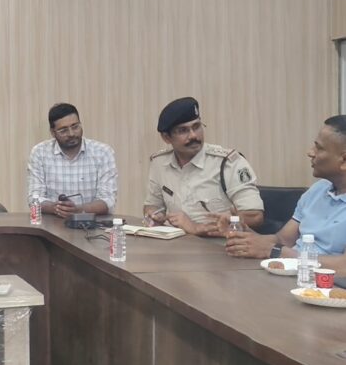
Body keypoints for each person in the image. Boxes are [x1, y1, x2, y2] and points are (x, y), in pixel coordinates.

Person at [223, 116, 346, 272]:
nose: (310, 152)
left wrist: (275, 251)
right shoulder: (318, 189)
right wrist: (244, 233)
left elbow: (343, 267)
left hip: (324, 283)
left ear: (344, 160)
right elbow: (283, 240)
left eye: (319, 148)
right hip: (291, 274)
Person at [143, 97, 264, 235]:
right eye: (183, 130)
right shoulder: (159, 163)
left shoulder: (228, 163)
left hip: (221, 244)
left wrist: (196, 227)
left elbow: (255, 216)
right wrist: (153, 215)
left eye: (196, 127)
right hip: (177, 244)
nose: (193, 136)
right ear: (166, 138)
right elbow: (152, 205)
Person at [27, 103, 117, 217]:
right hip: (53, 222)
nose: (71, 134)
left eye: (75, 126)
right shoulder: (40, 153)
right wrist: (56, 208)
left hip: (92, 223)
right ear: (53, 133)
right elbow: (34, 198)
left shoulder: (103, 152)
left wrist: (79, 210)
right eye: (63, 130)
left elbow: (108, 200)